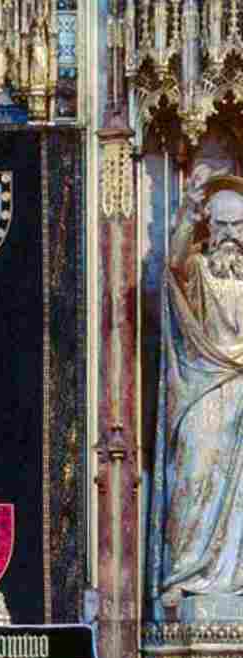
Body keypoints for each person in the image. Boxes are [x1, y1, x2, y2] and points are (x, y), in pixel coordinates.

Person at [160, 171, 243, 608]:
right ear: (209, 228)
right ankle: (186, 571)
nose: (230, 235)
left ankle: (234, 578)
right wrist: (187, 212)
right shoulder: (198, 272)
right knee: (194, 471)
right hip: (203, 390)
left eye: (238, 225)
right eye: (222, 224)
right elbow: (173, 262)